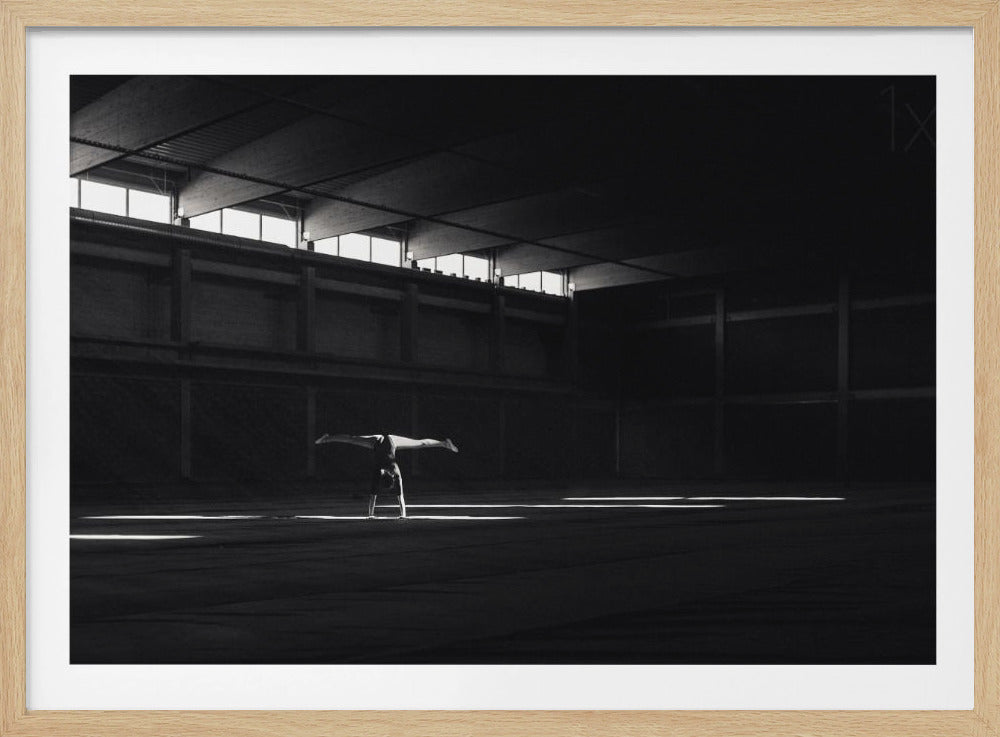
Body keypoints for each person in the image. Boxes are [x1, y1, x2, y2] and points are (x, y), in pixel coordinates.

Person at [315, 433, 459, 518]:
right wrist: (372, 515)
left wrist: (402, 515)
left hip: (388, 441)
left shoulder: (395, 471)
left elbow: (399, 497)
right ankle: (327, 438)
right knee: (353, 439)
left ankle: (444, 443)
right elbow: (374, 497)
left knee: (419, 443)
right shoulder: (385, 472)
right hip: (380, 441)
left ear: (389, 475)